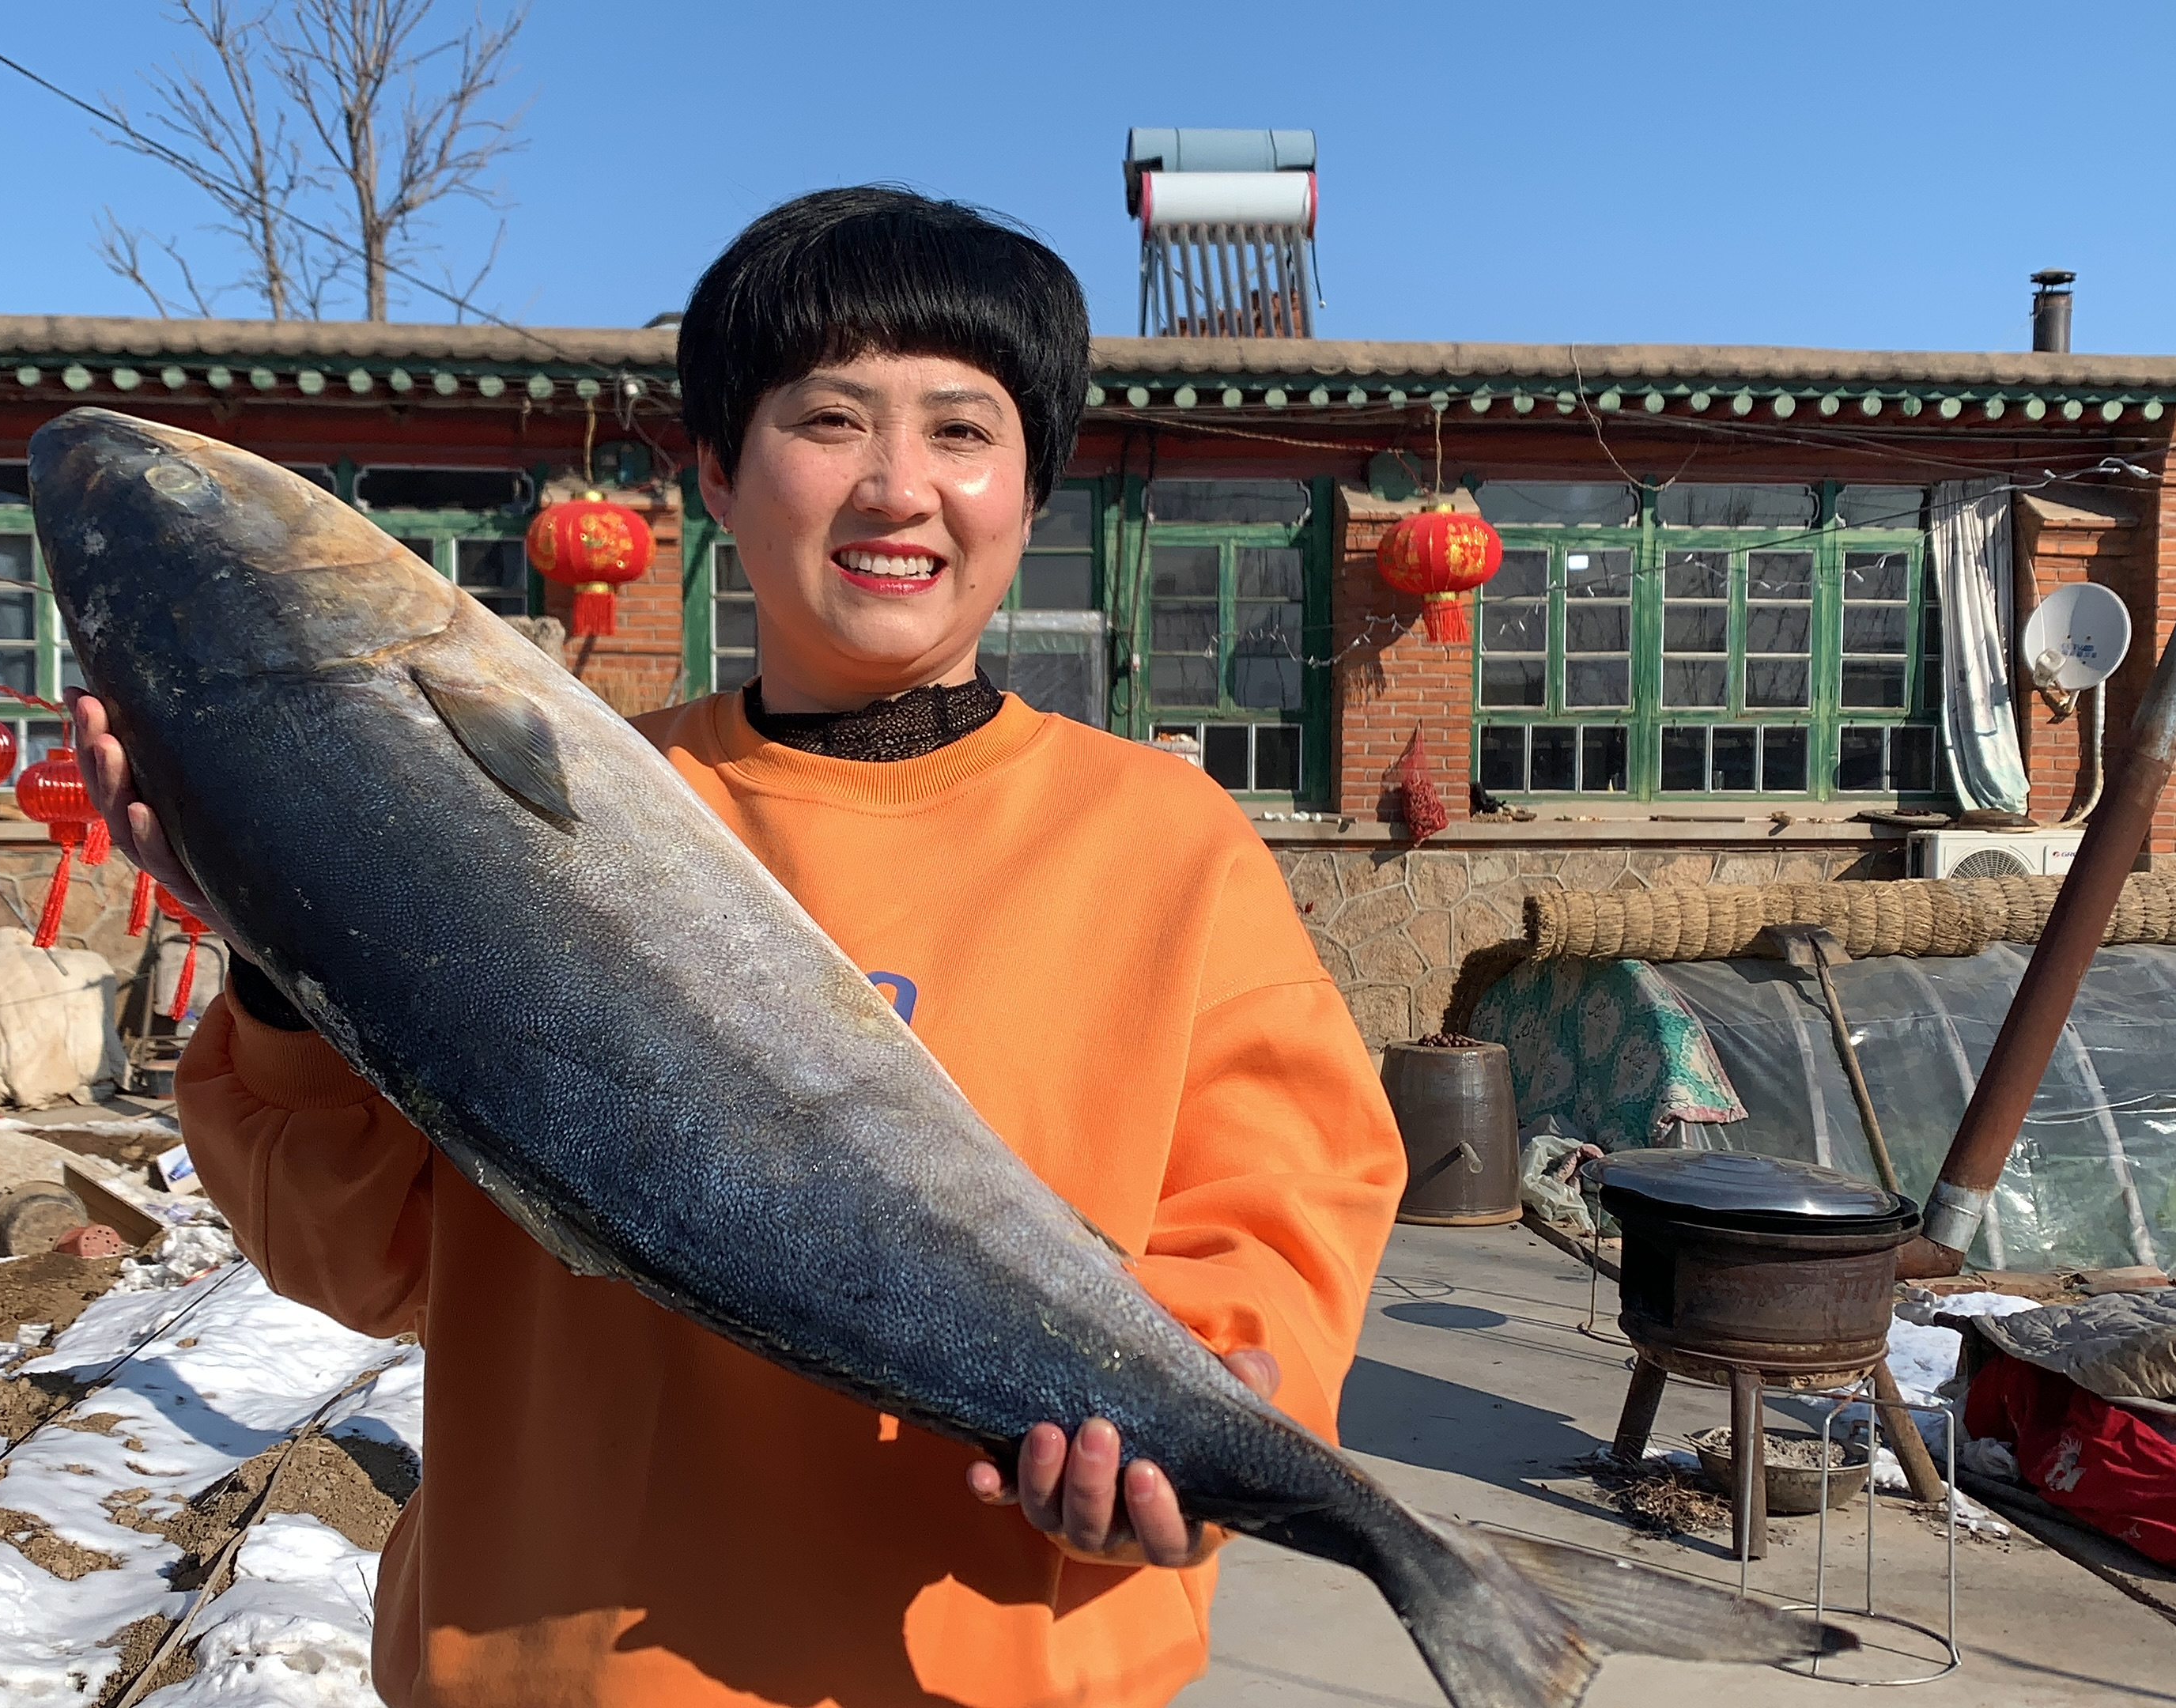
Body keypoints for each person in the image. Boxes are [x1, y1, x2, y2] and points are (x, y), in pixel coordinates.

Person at [74, 186, 1406, 1708]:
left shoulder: (1163, 844)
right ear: (717, 469)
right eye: (829, 420)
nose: (898, 487)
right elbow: (358, 1265)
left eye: (963, 430)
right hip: (548, 1672)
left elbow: (1280, 1219)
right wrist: (281, 951)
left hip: (978, 1670)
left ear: (1034, 490)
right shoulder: (533, 808)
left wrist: (1202, 1421)